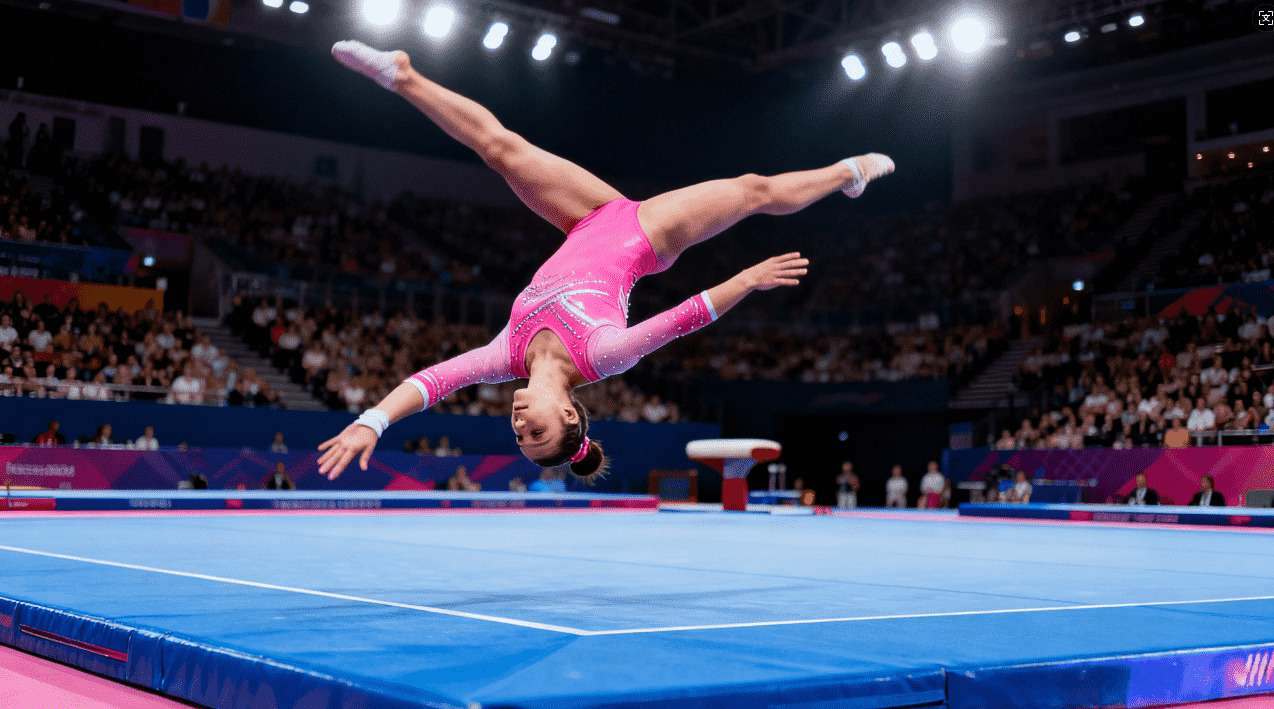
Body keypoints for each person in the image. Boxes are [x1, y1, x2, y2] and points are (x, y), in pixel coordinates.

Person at [316, 40, 894, 482]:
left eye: (521, 438)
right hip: (645, 236)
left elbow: (429, 382)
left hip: (586, 218)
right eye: (537, 432)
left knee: (500, 150)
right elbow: (685, 317)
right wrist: (747, 279)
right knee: (752, 190)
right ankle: (845, 174)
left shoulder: (503, 355)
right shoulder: (602, 354)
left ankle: (403, 75)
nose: (520, 427)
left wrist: (372, 421)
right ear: (569, 416)